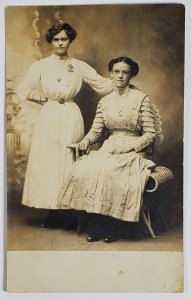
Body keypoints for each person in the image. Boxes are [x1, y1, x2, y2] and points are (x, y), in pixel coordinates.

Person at [15, 22, 113, 227]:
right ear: (51, 41)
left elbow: (102, 84)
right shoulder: (41, 65)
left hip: (70, 115)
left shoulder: (78, 66)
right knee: (50, 162)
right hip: (49, 116)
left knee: (68, 160)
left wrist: (123, 78)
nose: (60, 43)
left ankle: (68, 213)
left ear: (70, 41)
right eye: (57, 39)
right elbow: (22, 90)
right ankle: (52, 212)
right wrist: (42, 99)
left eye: (64, 39)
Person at [58, 56, 157, 242]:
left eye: (125, 72)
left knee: (111, 170)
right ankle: (98, 225)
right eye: (117, 72)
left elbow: (150, 133)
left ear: (131, 75)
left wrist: (130, 147)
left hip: (133, 149)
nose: (120, 76)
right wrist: (85, 142)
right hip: (109, 146)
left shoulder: (141, 98)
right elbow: (96, 131)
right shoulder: (104, 102)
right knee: (87, 167)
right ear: (111, 74)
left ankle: (115, 227)